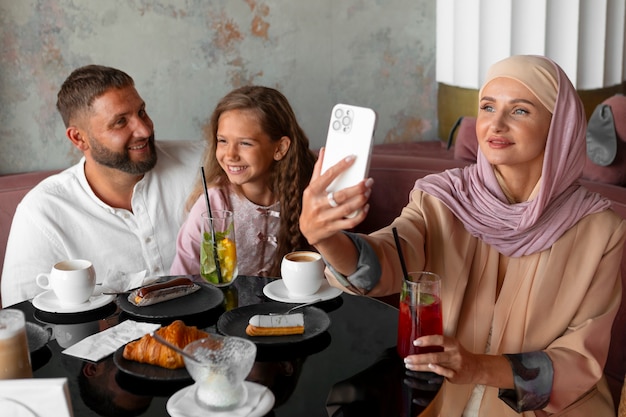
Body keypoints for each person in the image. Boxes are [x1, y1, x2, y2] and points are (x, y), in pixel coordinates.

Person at [299, 55, 626, 416]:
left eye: (519, 111)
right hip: (438, 401)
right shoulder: (441, 198)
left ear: (559, 126)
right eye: (487, 107)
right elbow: (388, 258)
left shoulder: (600, 230)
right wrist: (326, 238)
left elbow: (580, 359)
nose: (495, 124)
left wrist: (478, 367)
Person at [1, 65, 204, 306]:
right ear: (78, 138)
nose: (144, 129)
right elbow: (23, 317)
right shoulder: (43, 212)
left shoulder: (201, 163)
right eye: (120, 122)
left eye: (141, 112)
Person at [170, 85, 316, 278]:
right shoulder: (212, 205)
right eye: (223, 141)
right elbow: (181, 279)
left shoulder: (306, 194)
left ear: (280, 148)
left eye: (245, 143)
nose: (230, 154)